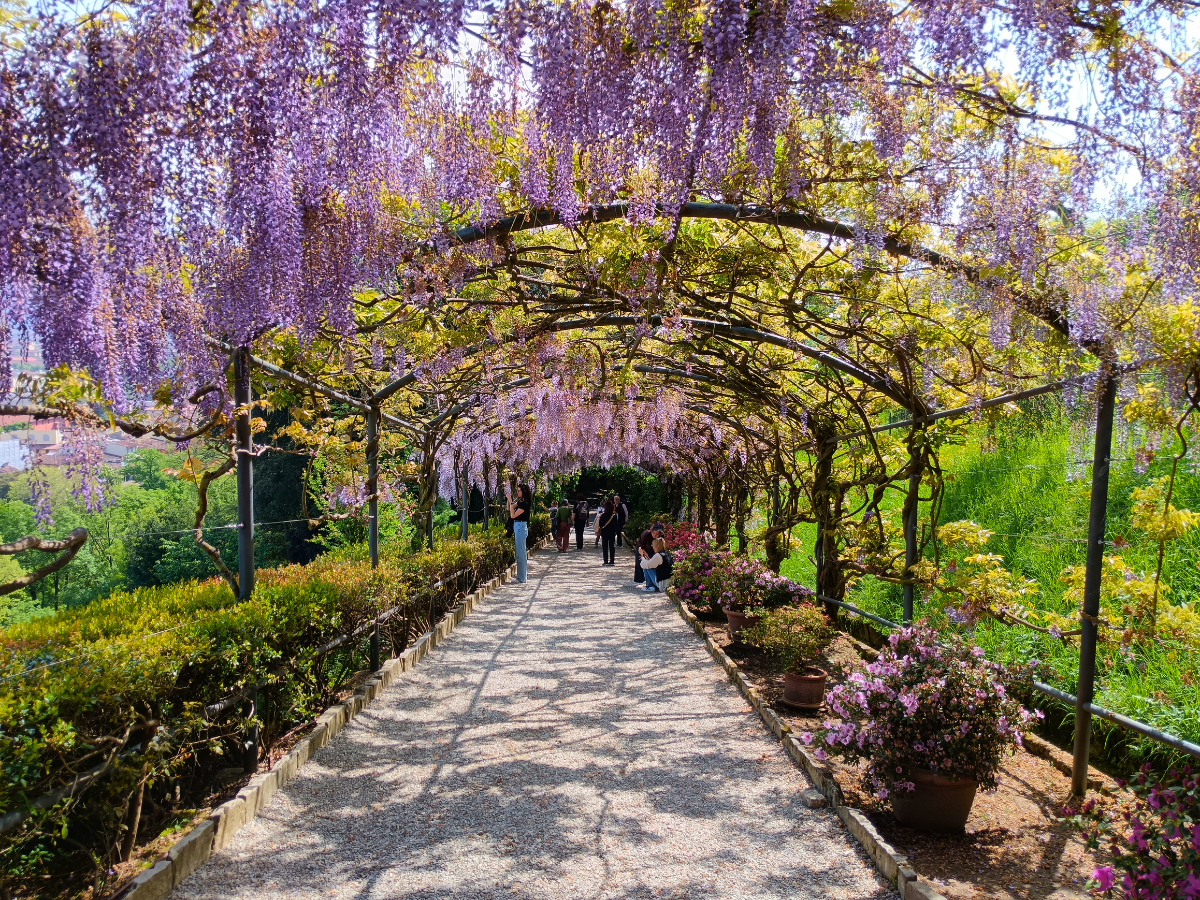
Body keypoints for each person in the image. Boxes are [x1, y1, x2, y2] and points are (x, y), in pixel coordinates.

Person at [507, 483, 532, 583]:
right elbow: (509, 509)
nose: (517, 492)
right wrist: (509, 501)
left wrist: (510, 501)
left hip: (521, 527)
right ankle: (521, 576)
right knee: (519, 552)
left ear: (523, 492)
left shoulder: (525, 504)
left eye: (519, 491)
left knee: (521, 553)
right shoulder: (520, 502)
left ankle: (522, 578)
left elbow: (513, 515)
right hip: (518, 526)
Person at [598, 497, 619, 565]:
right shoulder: (614, 516)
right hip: (612, 533)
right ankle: (612, 561)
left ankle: (606, 561)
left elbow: (600, 525)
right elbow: (616, 525)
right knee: (612, 546)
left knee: (605, 547)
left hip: (604, 533)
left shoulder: (603, 516)